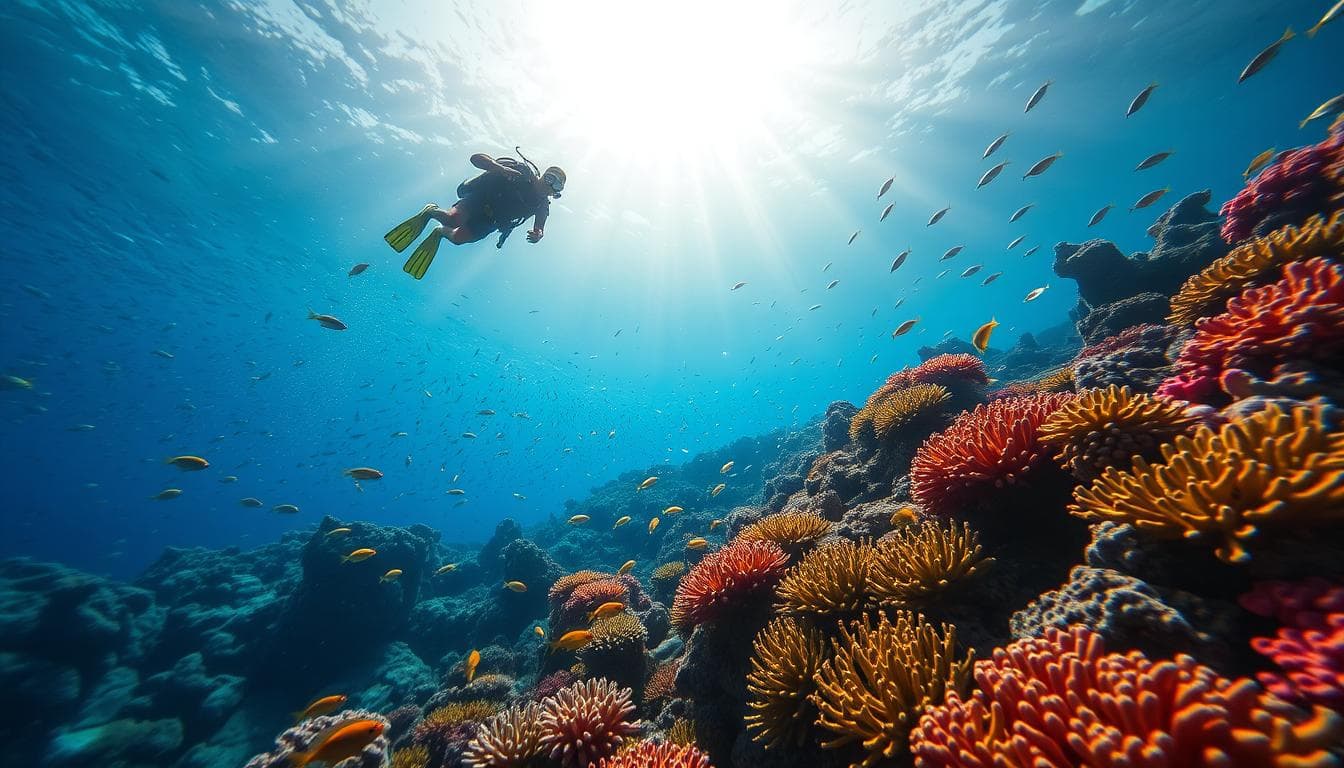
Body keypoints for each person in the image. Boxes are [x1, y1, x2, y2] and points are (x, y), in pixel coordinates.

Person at [384, 149, 566, 280]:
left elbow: (540, 227)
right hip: (479, 199)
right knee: (452, 219)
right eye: (550, 177)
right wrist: (498, 167)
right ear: (543, 175)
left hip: (491, 221)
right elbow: (476, 158)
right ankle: (431, 211)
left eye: (556, 185)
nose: (549, 184)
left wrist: (537, 235)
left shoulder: (542, 205)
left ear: (556, 192)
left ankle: (439, 232)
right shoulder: (521, 172)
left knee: (457, 239)